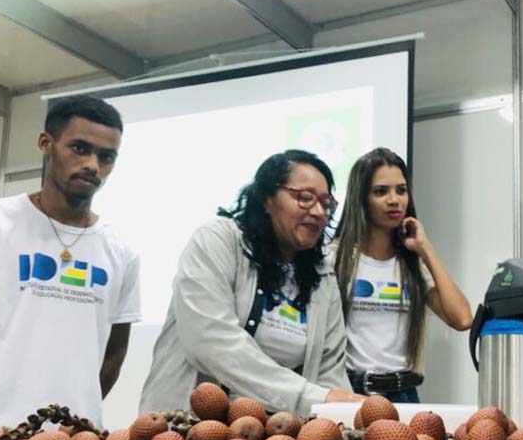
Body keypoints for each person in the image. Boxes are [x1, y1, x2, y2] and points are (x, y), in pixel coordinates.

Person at [0, 95, 140, 440]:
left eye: (106, 157)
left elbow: (113, 355)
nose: (92, 165)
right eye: (79, 148)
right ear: (47, 144)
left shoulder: (122, 251)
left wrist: (66, 426)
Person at [140, 150, 360, 416]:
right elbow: (211, 341)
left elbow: (330, 372)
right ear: (267, 199)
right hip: (185, 429)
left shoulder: (322, 275)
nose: (318, 212)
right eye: (304, 198)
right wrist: (311, 398)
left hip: (276, 438)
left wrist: (343, 415)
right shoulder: (218, 240)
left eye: (326, 204)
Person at [331, 148, 473, 402]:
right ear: (360, 199)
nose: (394, 200)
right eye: (380, 191)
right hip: (350, 390)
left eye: (401, 190)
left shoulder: (412, 264)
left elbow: (462, 318)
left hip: (404, 393)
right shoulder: (335, 258)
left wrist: (425, 248)